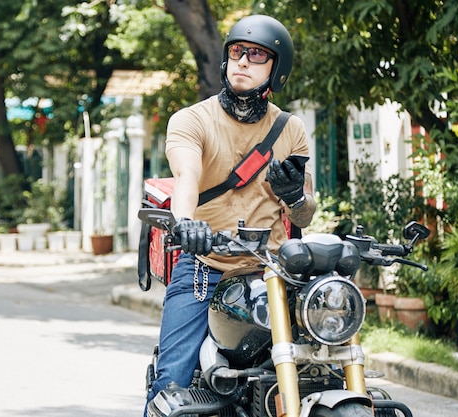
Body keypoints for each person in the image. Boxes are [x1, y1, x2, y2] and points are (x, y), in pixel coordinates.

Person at [145, 14, 316, 413]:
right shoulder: (191, 120)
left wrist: (294, 197)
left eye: (257, 55)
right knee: (171, 385)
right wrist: (186, 224)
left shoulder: (291, 130)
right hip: (207, 264)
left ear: (278, 70)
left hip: (273, 272)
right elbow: (187, 176)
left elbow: (305, 215)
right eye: (237, 51)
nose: (242, 61)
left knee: (323, 359)